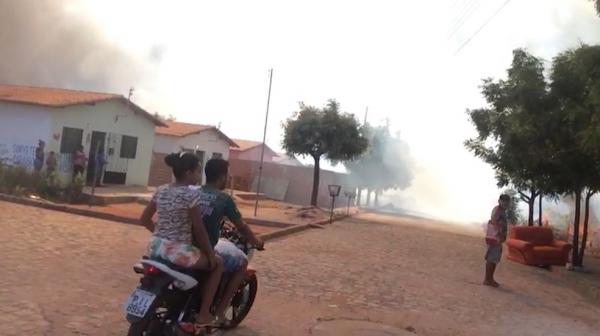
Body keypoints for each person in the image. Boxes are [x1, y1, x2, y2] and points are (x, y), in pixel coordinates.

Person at [139, 152, 223, 328]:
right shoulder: (191, 196)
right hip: (179, 253)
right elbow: (199, 230)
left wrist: (162, 234)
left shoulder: (161, 190)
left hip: (155, 247)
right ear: (188, 172)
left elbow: (144, 219)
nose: (199, 176)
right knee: (219, 264)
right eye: (197, 172)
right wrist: (210, 254)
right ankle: (204, 314)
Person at [194, 158, 264, 325]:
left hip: (185, 245)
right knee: (242, 262)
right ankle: (218, 313)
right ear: (221, 177)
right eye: (227, 175)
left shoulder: (193, 192)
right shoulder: (223, 199)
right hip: (203, 250)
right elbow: (242, 226)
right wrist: (256, 241)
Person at [484, 194, 510, 287]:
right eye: (504, 201)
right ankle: (488, 279)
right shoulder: (497, 210)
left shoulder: (502, 211)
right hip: (495, 237)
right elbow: (494, 222)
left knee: (494, 259)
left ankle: (490, 278)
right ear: (499, 201)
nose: (505, 203)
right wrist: (499, 234)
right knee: (491, 258)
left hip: (497, 238)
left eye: (507, 201)